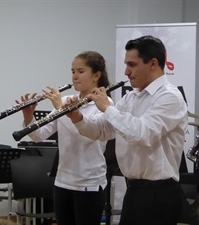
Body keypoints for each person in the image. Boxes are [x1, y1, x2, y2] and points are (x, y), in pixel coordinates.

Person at [66, 35, 188, 225]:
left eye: (132, 65)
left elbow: (142, 134)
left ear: (153, 64)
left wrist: (107, 107)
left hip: (159, 193)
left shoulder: (170, 97)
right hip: (135, 191)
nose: (126, 71)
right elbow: (103, 130)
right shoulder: (132, 97)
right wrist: (78, 118)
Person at [16, 51, 113, 225]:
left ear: (96, 75)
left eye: (81, 71)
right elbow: (39, 136)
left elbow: (87, 135)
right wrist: (28, 117)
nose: (75, 76)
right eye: (72, 71)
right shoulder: (68, 100)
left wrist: (61, 109)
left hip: (89, 184)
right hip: (63, 182)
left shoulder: (104, 104)